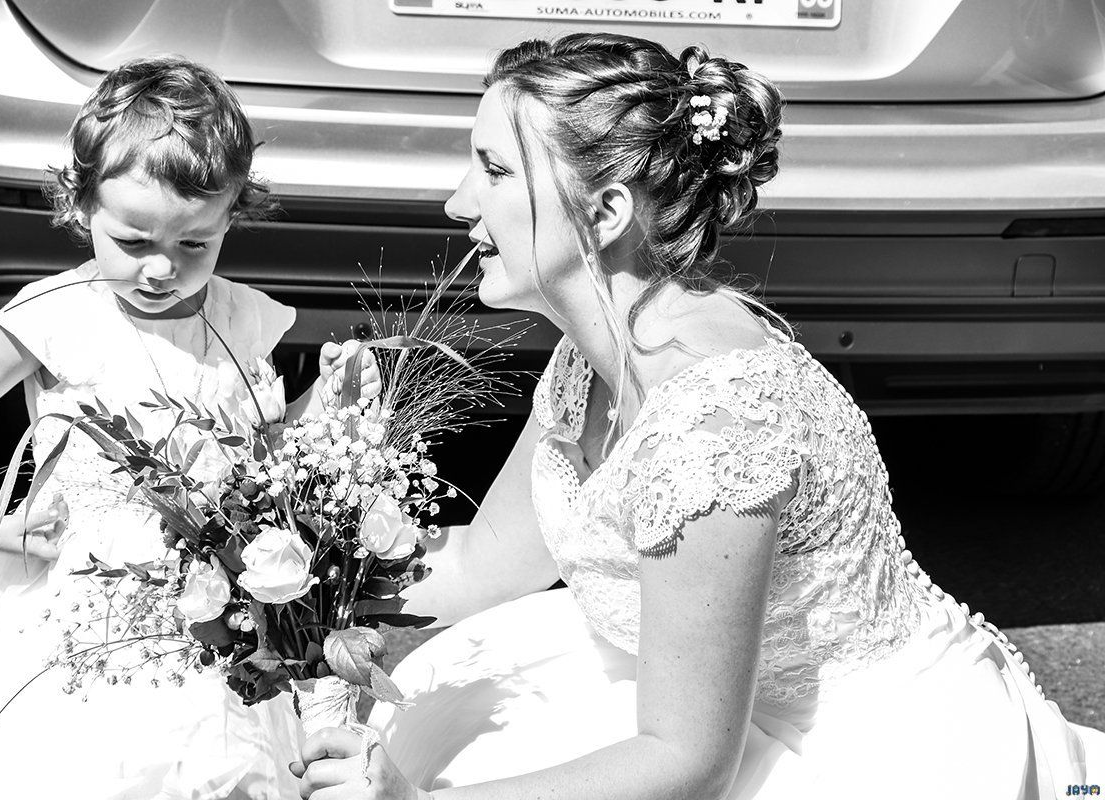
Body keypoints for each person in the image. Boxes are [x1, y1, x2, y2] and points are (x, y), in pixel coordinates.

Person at [292, 33, 1105, 799]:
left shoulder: (715, 424)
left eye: (494, 171)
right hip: (701, 710)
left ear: (606, 212)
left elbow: (688, 763)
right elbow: (480, 568)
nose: (456, 202)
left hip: (860, 746)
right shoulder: (594, 355)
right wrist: (297, 545)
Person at [0, 56, 372, 800]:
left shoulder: (240, 319)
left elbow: (265, 453)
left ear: (231, 217)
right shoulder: (60, 314)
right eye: (134, 242)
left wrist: (326, 401)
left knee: (208, 772)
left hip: (213, 607)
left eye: (194, 244)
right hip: (79, 602)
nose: (162, 268)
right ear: (82, 205)